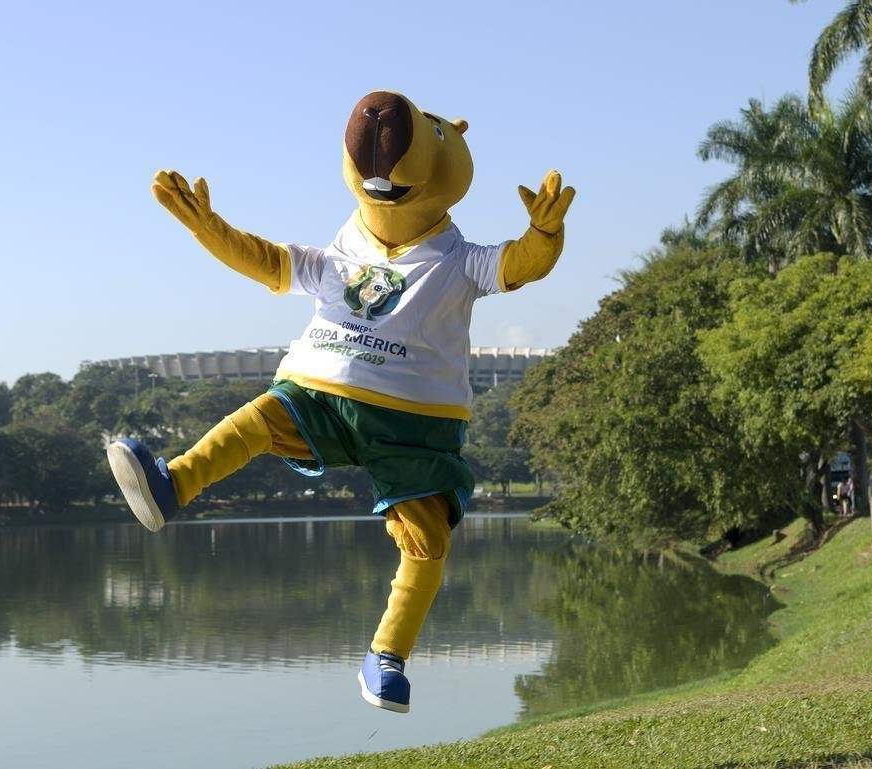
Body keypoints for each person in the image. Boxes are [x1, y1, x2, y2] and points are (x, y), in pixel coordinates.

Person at [106, 91, 575, 713]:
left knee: (426, 538)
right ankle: (172, 486)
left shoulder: (460, 262)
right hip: (320, 392)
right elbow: (268, 261)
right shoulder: (338, 252)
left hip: (414, 422)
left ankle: (386, 657)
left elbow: (519, 265)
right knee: (263, 417)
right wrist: (206, 228)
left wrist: (544, 231)